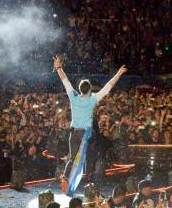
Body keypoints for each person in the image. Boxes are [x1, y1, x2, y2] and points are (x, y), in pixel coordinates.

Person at [53, 57, 126, 194]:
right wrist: (119, 73)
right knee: (78, 160)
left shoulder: (73, 97)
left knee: (73, 157)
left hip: (73, 133)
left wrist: (59, 67)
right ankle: (71, 181)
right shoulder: (93, 99)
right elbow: (107, 87)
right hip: (83, 134)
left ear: (80, 89)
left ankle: (66, 178)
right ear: (90, 90)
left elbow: (65, 81)